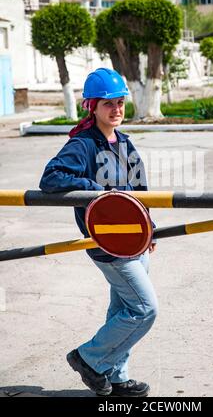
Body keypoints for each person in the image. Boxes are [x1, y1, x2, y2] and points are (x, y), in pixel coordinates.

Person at [39, 68, 158, 397]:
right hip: (107, 244)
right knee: (145, 309)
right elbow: (51, 177)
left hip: (135, 240)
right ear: (92, 106)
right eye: (108, 103)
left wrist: (150, 229)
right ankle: (88, 358)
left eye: (120, 103)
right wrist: (93, 189)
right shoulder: (83, 145)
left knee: (122, 310)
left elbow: (140, 191)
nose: (116, 109)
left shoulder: (125, 143)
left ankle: (117, 377)